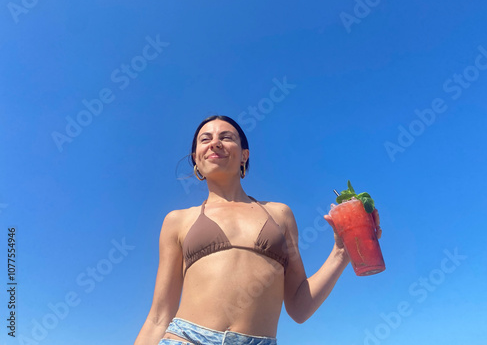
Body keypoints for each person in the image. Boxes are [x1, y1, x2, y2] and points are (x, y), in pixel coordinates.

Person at [134, 115, 381, 345]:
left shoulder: (279, 214)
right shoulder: (177, 220)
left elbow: (300, 307)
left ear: (244, 155)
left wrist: (341, 252)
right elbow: (158, 316)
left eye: (226, 137)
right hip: (187, 338)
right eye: (205, 139)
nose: (215, 143)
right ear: (196, 158)